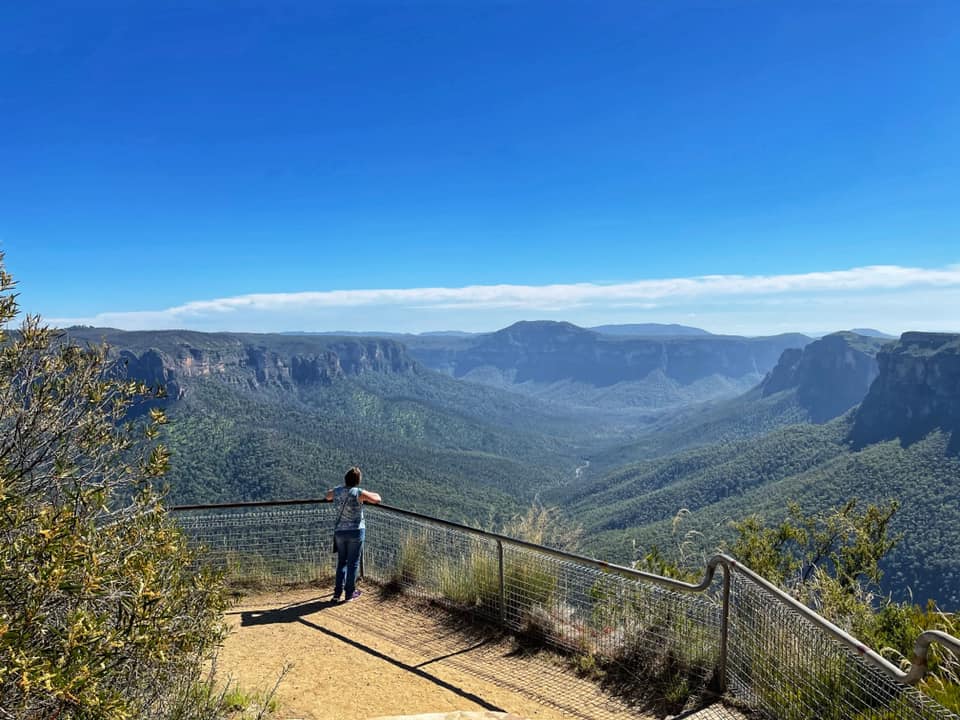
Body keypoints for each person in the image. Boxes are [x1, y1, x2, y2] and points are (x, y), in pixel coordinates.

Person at [326, 466, 381, 602]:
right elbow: (377, 499)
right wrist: (366, 492)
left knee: (341, 562)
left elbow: (327, 496)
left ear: (345, 479)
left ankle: (337, 594)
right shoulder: (358, 492)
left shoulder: (338, 491)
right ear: (358, 480)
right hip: (356, 531)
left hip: (340, 531)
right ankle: (349, 594)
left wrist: (338, 489)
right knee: (353, 563)